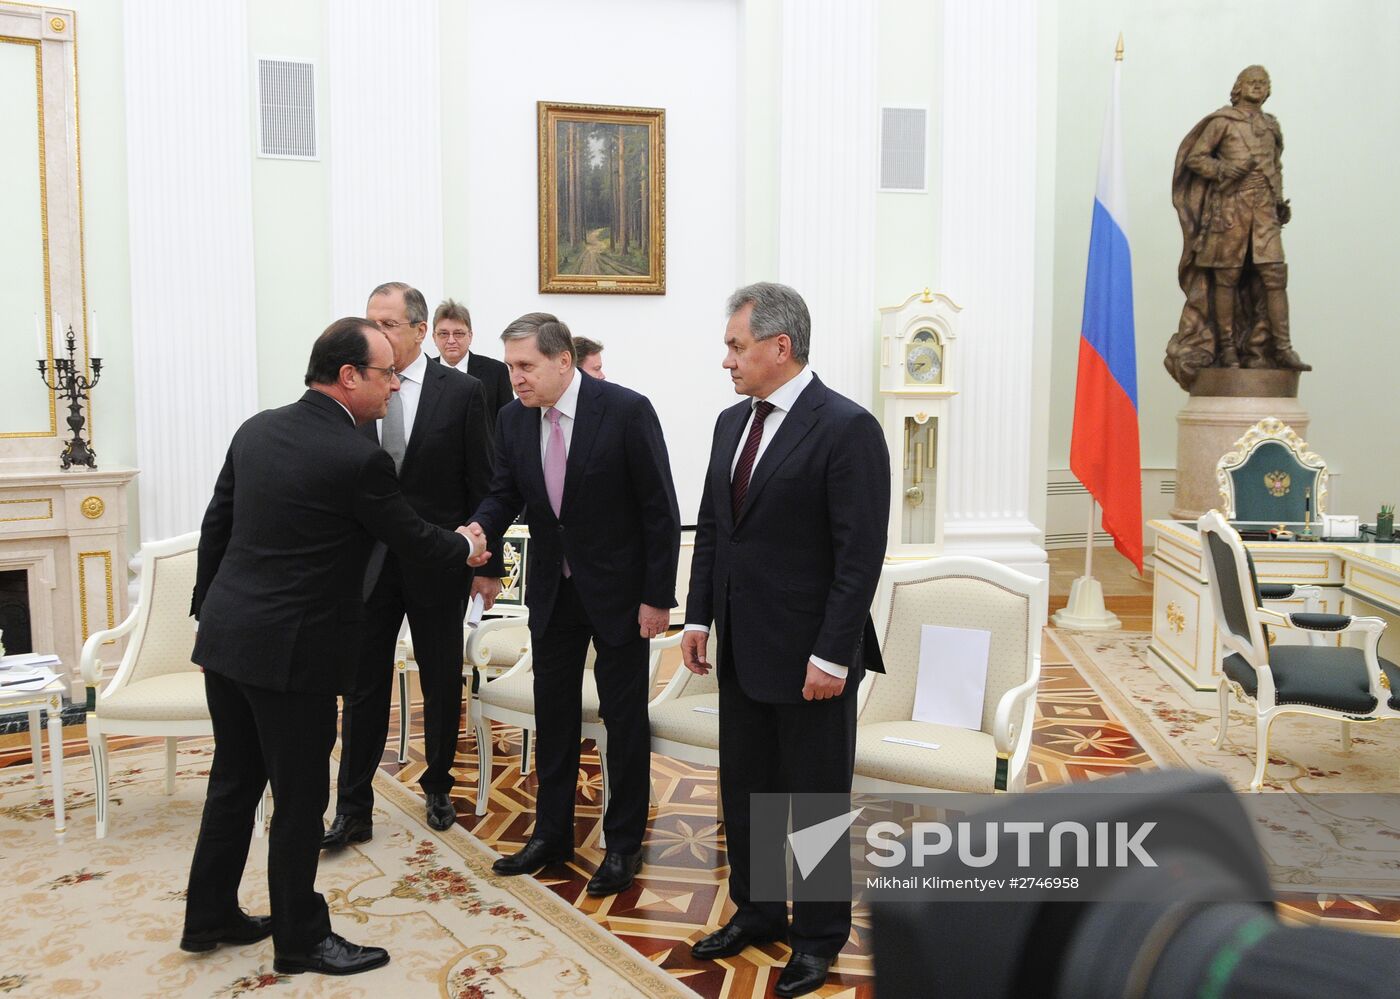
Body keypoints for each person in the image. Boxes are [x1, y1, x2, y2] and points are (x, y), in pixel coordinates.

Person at [182, 318, 481, 976]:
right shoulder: (358, 456)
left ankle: (208, 913)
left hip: (228, 641)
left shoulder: (256, 429)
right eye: (386, 376)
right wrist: (466, 545)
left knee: (234, 779)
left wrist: (213, 613)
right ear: (349, 377)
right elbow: (412, 537)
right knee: (299, 797)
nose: (396, 388)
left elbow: (217, 527)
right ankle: (300, 937)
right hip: (294, 655)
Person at [681, 282, 889, 999]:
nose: (727, 360)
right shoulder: (727, 424)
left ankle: (820, 937)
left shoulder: (846, 427)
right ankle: (760, 909)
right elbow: (714, 530)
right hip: (740, 647)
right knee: (749, 791)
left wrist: (833, 654)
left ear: (780, 346)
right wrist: (699, 615)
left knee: (816, 801)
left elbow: (858, 555)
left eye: (737, 346)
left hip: (813, 660)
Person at [466, 312, 679, 897]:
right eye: (510, 366)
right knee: (554, 720)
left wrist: (658, 598)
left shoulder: (626, 410)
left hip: (620, 597)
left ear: (563, 360)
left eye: (526, 366)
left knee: (623, 722)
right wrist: (478, 532)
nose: (515, 378)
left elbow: (660, 509)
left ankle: (624, 844)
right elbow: (502, 495)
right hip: (554, 596)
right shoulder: (512, 420)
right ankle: (551, 834)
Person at [324, 282, 502, 844]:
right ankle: (353, 807)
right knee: (364, 686)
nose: (375, 332)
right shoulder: (353, 388)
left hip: (440, 565)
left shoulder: (463, 391)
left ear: (419, 331)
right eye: (369, 321)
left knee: (441, 679)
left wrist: (484, 563)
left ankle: (439, 783)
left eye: (388, 324)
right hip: (368, 567)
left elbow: (484, 481)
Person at [1167, 65, 1309, 389]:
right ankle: (1227, 348)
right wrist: (1226, 169)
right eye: (1252, 82)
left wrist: (1278, 201)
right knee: (1227, 277)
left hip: (1264, 212)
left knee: (1274, 274)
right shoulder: (1222, 121)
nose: (1258, 87)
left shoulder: (1271, 125)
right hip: (1231, 208)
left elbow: (1277, 165)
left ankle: (1282, 348)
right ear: (1239, 87)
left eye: (1263, 83)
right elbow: (1195, 158)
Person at [432, 298, 514, 422]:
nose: (451, 340)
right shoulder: (425, 371)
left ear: (470, 336)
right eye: (443, 334)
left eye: (458, 334)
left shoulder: (496, 371)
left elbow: (508, 420)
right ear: (434, 337)